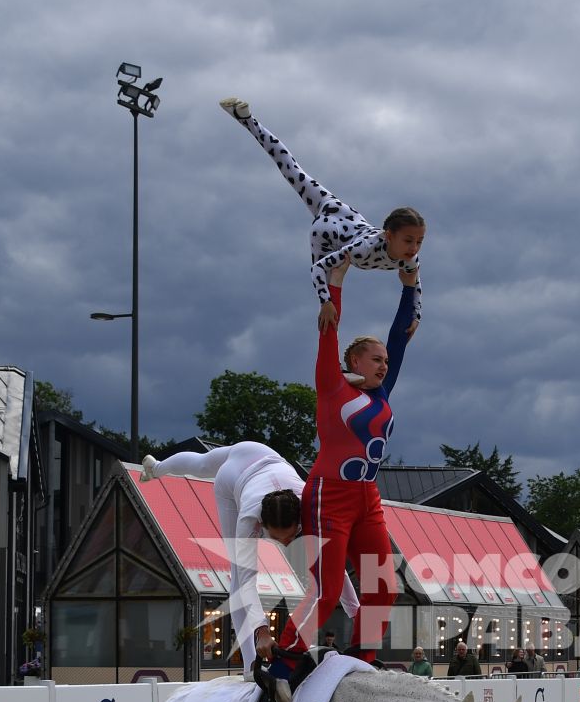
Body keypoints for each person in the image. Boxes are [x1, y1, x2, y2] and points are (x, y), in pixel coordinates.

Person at [271, 266, 420, 667]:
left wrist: (409, 288)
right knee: (328, 590)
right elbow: (329, 329)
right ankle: (283, 659)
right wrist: (333, 285)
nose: (384, 365)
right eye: (375, 359)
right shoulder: (331, 385)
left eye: (385, 361)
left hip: (366, 497)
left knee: (383, 587)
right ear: (355, 359)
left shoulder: (382, 390)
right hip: (329, 495)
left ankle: (362, 659)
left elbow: (399, 341)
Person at [220, 99, 425, 335]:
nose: (414, 247)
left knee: (293, 169)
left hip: (344, 214)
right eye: (408, 240)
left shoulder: (411, 260)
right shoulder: (362, 249)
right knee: (331, 300)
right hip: (329, 232)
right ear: (389, 236)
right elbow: (318, 268)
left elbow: (416, 285)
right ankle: (248, 120)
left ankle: (245, 118)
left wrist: (416, 315)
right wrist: (324, 302)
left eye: (419, 241)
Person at [144, 440, 360, 662]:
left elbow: (334, 568)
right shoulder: (248, 519)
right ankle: (250, 663)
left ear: (299, 521)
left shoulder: (312, 509)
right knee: (237, 576)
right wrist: (262, 631)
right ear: (261, 525)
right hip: (232, 478)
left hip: (262, 454)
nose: (286, 545)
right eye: (276, 538)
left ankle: (156, 467)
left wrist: (357, 615)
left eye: (292, 536)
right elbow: (246, 583)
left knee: (203, 463)